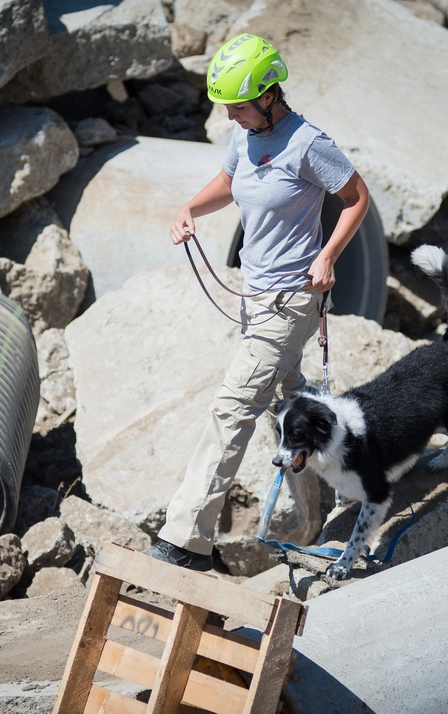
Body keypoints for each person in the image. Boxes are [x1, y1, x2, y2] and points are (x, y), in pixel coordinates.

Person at [145, 33, 370, 570]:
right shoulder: (246, 136)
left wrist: (329, 255)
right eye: (226, 107)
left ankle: (186, 539)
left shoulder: (308, 144)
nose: (231, 116)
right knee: (294, 411)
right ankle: (327, 514)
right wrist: (191, 209)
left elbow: (356, 198)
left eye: (239, 106)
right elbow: (229, 181)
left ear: (270, 96)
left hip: (290, 300)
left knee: (232, 407)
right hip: (254, 296)